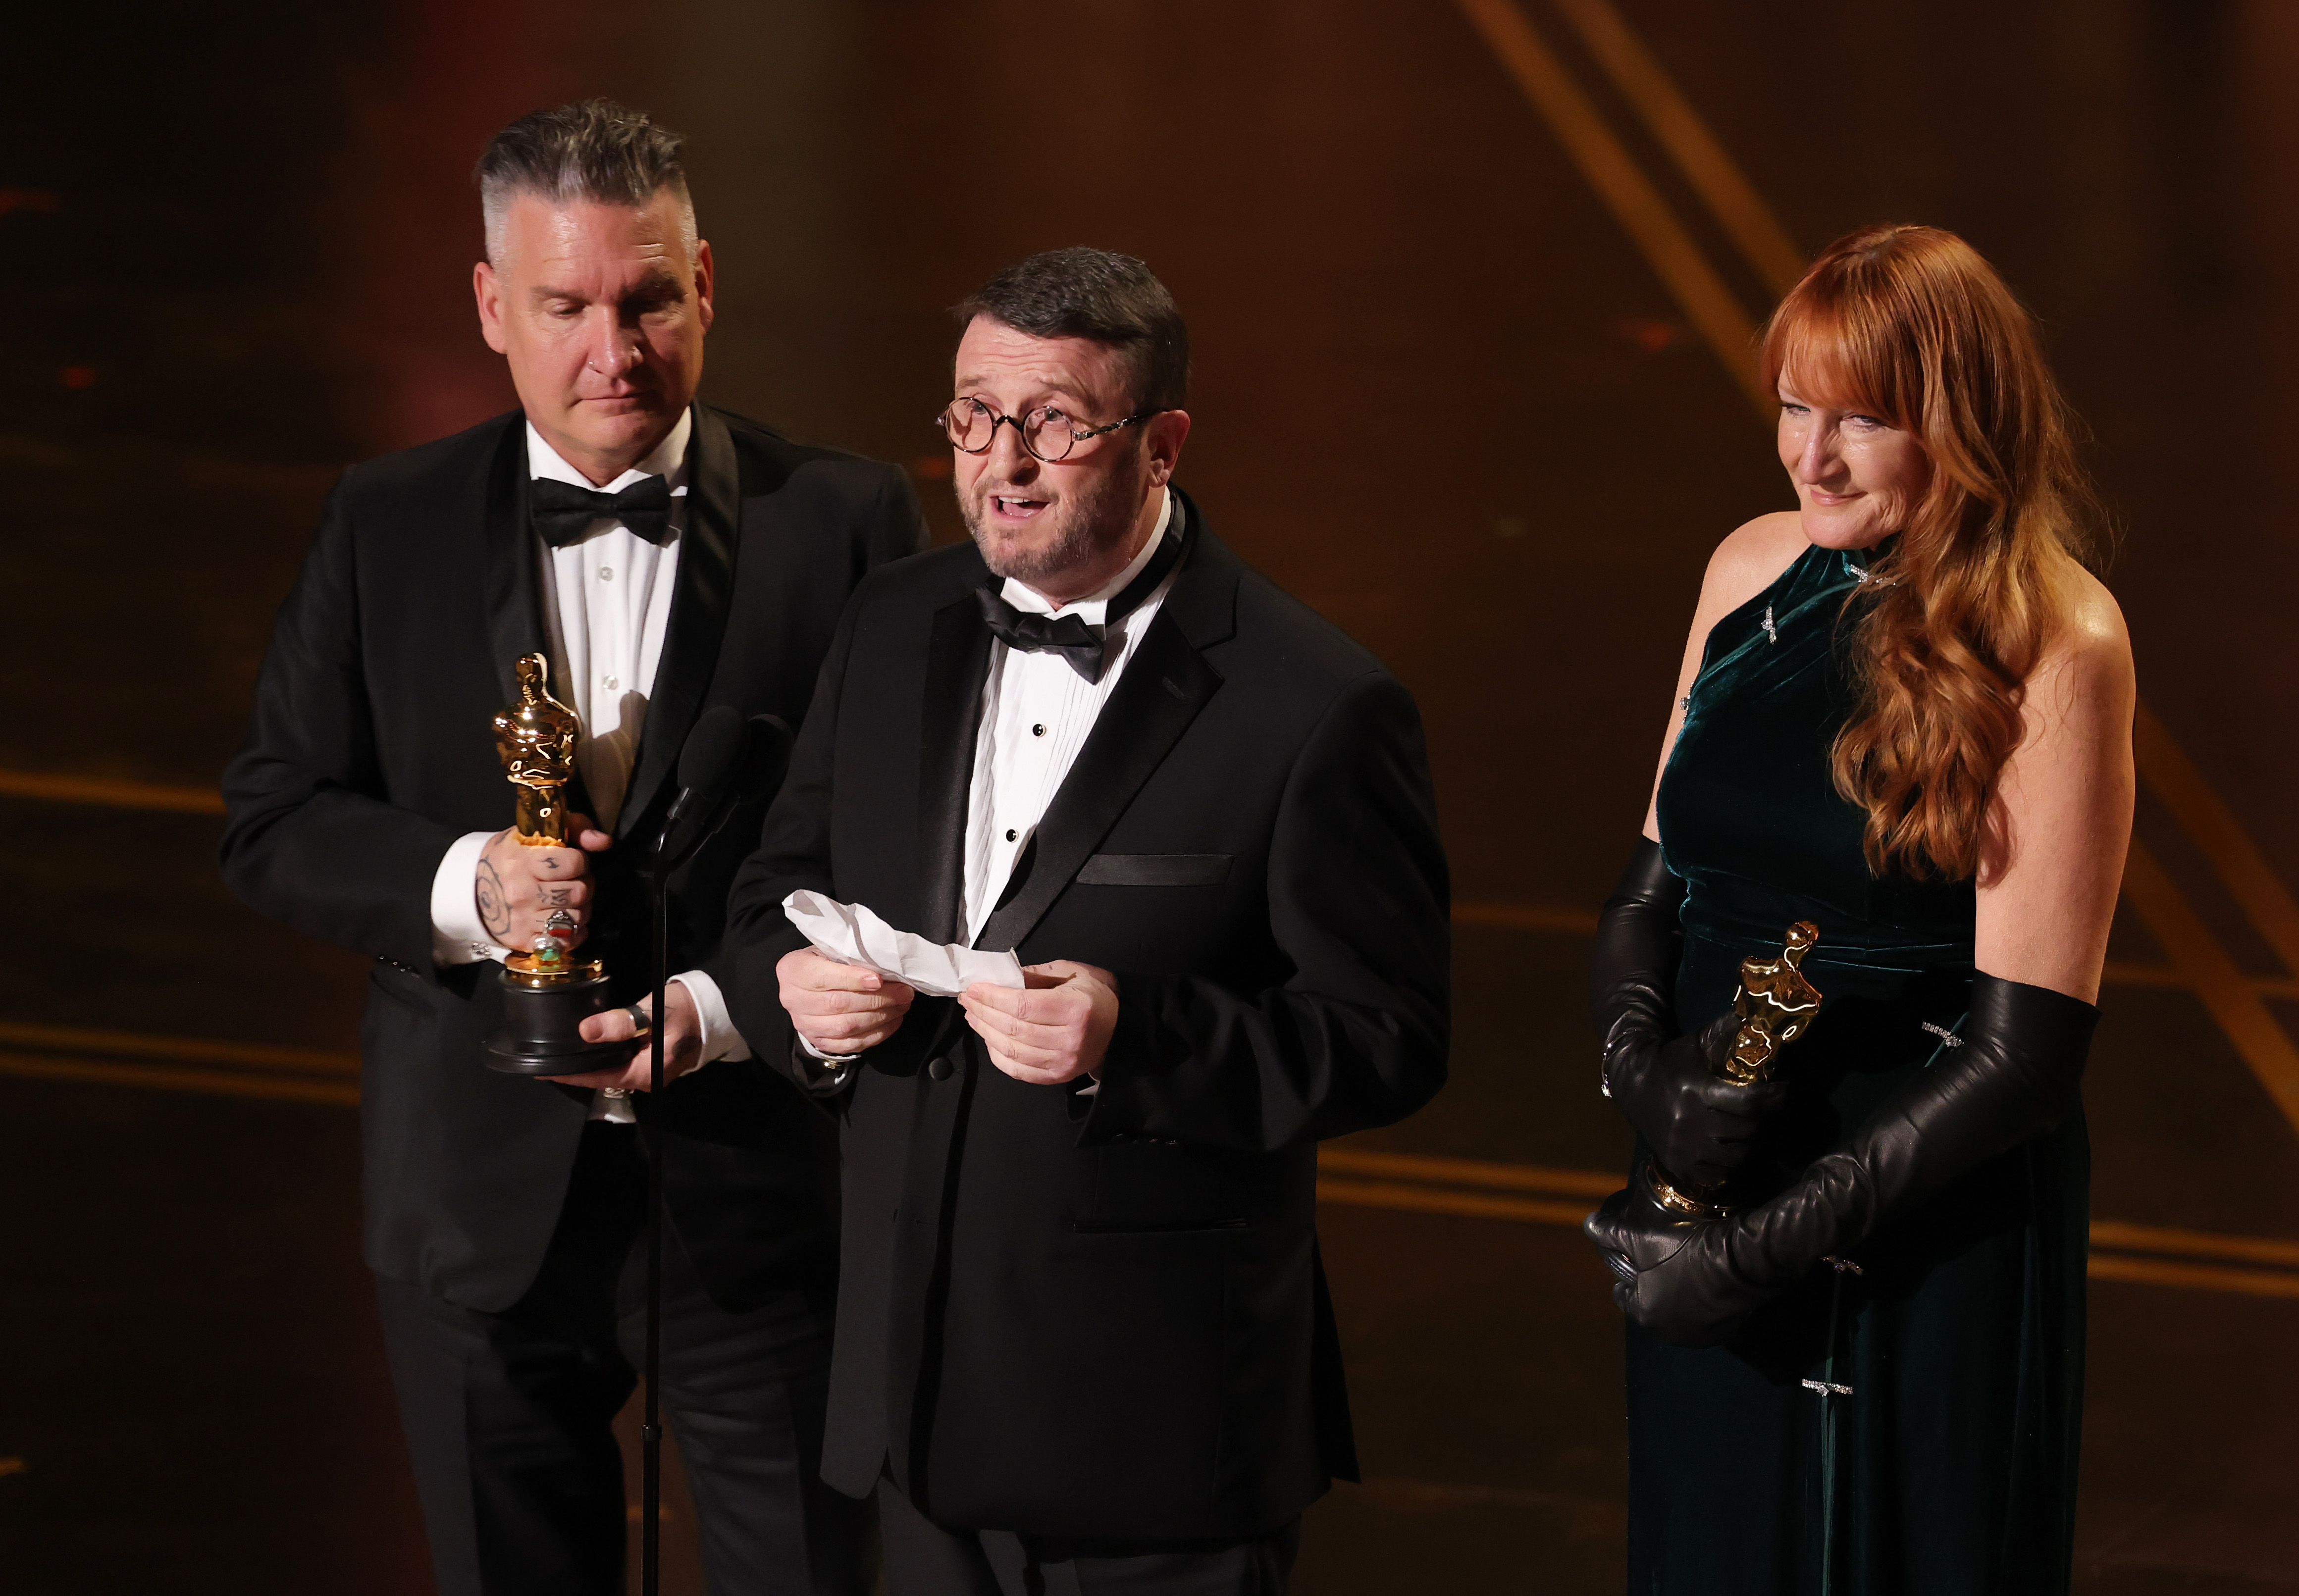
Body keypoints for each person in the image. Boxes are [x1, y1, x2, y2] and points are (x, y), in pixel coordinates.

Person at [220, 100, 924, 1596]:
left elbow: (903, 850)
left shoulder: (846, 521)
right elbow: (274, 819)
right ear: (490, 307)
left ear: (707, 284)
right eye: (565, 306)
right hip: (476, 1216)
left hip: (760, 1200)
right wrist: (466, 885)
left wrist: (731, 1013)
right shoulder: (381, 523)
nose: (617, 350)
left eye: (649, 298)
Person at [720, 247, 1450, 1596]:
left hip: (1155, 1435)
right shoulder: (887, 624)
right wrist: (789, 994)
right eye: (971, 415)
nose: (1002, 461)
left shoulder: (1313, 705)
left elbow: (1387, 1036)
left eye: (1053, 421)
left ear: (1161, 442)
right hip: (915, 1401)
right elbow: (774, 889)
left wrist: (1137, 1034)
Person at [1583, 222, 2136, 1594]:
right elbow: (1651, 885)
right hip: (1719, 1180)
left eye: (1859, 421)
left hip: (1915, 1218)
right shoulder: (1747, 570)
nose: (1806, 456)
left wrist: (1760, 1252)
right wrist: (1644, 1074)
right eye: (1791, 404)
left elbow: (2023, 1057)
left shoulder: (2058, 642)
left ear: (1956, 425)